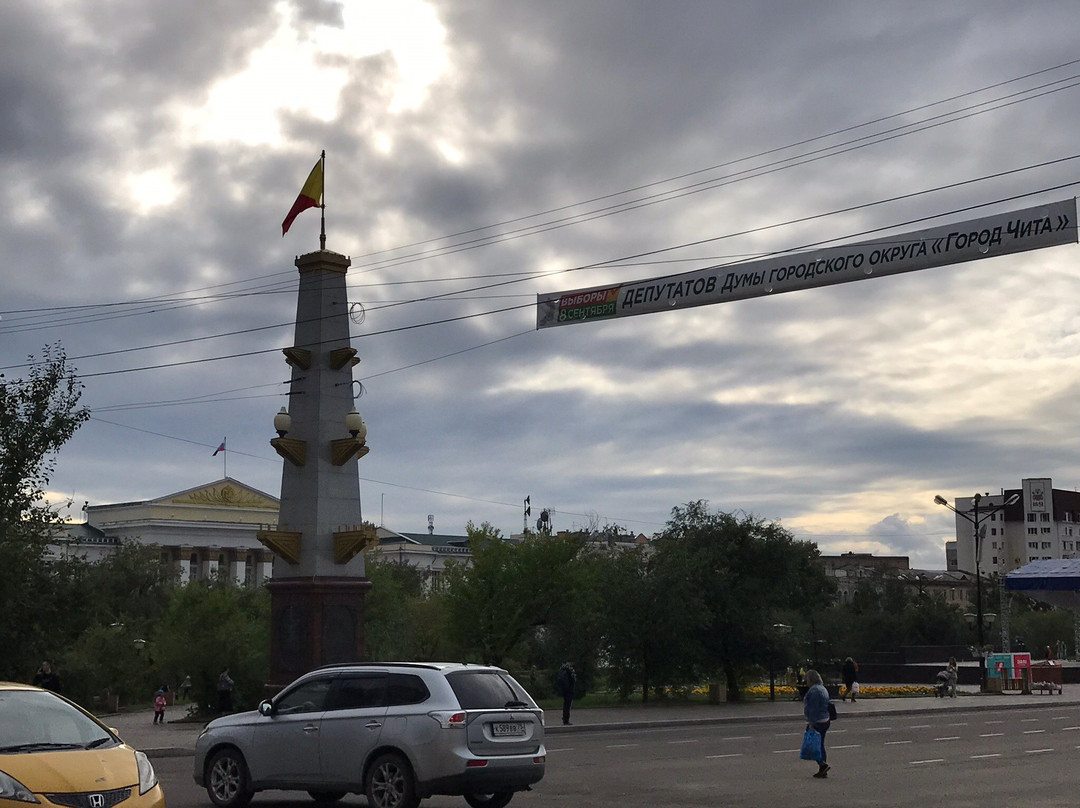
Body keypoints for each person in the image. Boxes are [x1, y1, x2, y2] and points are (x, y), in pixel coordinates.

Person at [802, 669, 832, 778]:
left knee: (812, 744)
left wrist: (811, 723)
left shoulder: (814, 691)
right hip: (825, 719)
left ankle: (822, 764)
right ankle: (822, 767)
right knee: (820, 744)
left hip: (817, 720)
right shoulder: (823, 688)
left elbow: (813, 708)